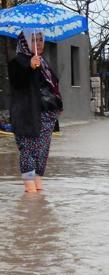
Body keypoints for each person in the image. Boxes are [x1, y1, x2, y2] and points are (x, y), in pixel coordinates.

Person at [8, 30, 63, 193]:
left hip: (47, 116)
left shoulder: (43, 62)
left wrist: (57, 105)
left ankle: (38, 191)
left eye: (40, 39)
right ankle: (29, 191)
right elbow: (17, 83)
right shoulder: (17, 62)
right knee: (28, 150)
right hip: (27, 114)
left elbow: (52, 87)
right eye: (33, 39)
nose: (38, 43)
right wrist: (30, 67)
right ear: (24, 42)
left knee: (42, 153)